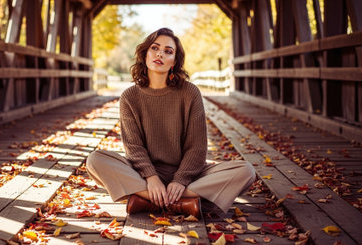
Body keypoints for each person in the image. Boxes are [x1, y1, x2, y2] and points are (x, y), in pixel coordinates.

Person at [86, 28, 256, 218]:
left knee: (245, 171)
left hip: (189, 176)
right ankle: (181, 203)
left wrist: (180, 180)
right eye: (155, 48)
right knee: (95, 160)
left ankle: (147, 200)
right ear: (145, 54)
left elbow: (197, 147)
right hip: (144, 175)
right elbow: (133, 146)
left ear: (174, 62)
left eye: (168, 51)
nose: (160, 54)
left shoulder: (190, 93)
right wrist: (151, 177)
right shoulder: (130, 97)